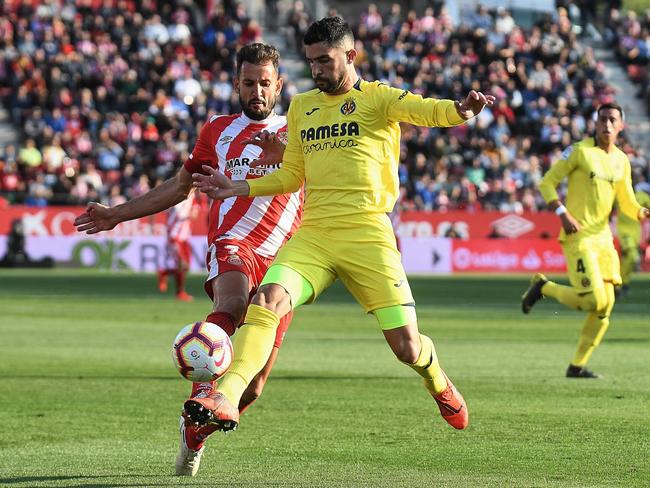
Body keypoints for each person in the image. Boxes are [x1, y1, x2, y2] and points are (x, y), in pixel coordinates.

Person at [187, 17, 494, 433]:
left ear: (350, 56)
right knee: (266, 302)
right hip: (314, 234)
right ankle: (225, 394)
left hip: (368, 234)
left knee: (406, 347)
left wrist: (461, 111)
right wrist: (237, 186)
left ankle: (437, 380)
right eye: (311, 62)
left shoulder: (379, 98)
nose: (316, 70)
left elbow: (426, 109)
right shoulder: (302, 106)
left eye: (324, 61)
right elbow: (291, 175)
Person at [73, 43, 302, 476]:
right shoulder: (217, 131)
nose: (257, 91)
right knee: (232, 304)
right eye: (249, 83)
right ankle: (201, 383)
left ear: (279, 85)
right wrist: (117, 215)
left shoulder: (301, 130)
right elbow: (180, 187)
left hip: (287, 258)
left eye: (265, 83)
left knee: (249, 390)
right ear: (237, 83)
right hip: (233, 243)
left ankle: (194, 431)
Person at [521, 103, 650, 378]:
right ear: (596, 122)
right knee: (593, 300)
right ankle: (544, 288)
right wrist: (562, 212)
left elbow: (626, 200)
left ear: (621, 126)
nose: (606, 125)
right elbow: (546, 182)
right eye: (602, 119)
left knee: (606, 306)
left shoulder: (621, 160)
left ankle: (576, 365)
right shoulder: (579, 152)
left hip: (603, 240)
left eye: (612, 120)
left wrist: (641, 212)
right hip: (578, 236)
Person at [157, 191, 199, 301]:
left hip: (185, 236)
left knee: (186, 267)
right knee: (182, 264)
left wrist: (192, 212)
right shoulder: (176, 194)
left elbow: (195, 213)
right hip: (174, 235)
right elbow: (175, 212)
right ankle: (180, 292)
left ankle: (164, 272)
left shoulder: (192, 196)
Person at [616, 183, 650, 296]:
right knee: (632, 256)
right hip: (623, 231)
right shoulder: (619, 194)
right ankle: (619, 283)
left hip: (636, 232)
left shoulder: (642, 196)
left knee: (628, 259)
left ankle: (621, 283)